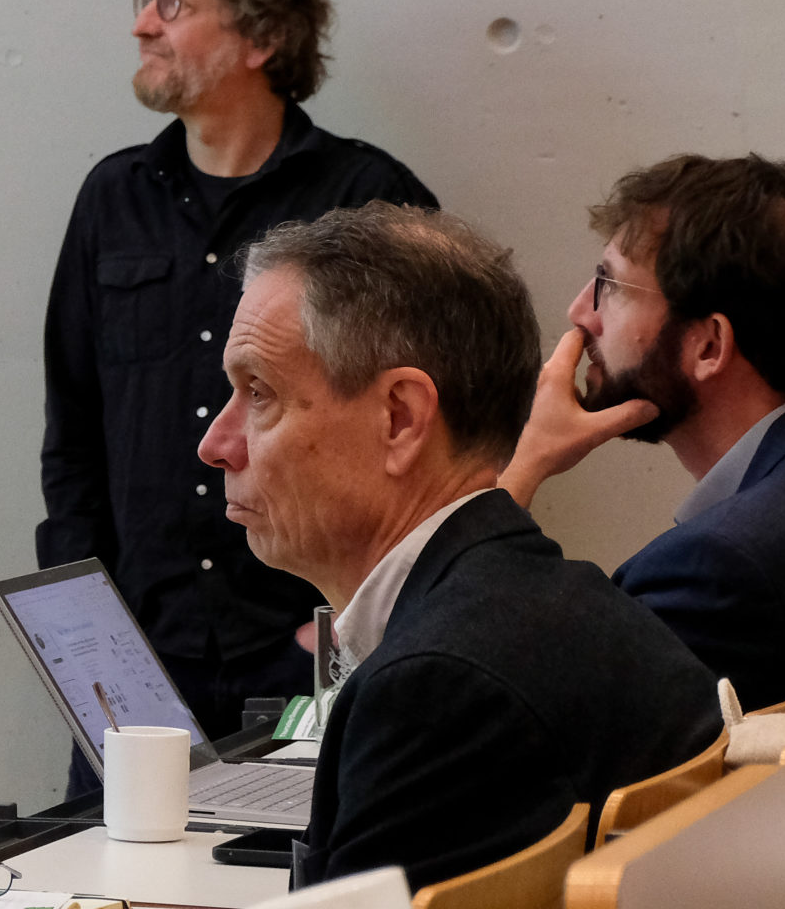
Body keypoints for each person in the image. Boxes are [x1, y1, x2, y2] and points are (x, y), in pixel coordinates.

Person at [199, 204, 720, 891]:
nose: (215, 446)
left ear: (401, 418)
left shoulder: (438, 687)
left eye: (258, 392)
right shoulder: (557, 599)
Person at [37, 0, 434, 756]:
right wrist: (83, 630)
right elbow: (72, 434)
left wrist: (340, 628)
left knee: (300, 885)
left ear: (263, 36)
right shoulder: (111, 199)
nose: (144, 22)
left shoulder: (369, 201)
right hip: (135, 664)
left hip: (302, 657)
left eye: (173, 2)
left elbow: (433, 435)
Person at [499, 153, 785, 709]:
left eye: (610, 283)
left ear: (708, 346)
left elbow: (489, 711)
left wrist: (523, 468)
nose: (580, 311)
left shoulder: (718, 568)